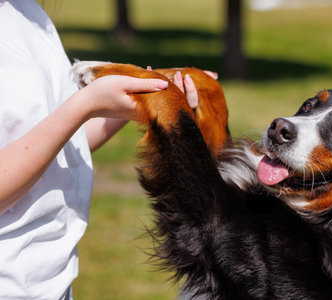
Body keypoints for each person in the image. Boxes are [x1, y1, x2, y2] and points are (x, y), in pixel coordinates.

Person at [0, 0, 206, 298]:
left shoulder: (29, 13)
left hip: (48, 283)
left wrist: (142, 97)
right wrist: (86, 104)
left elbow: (59, 144)